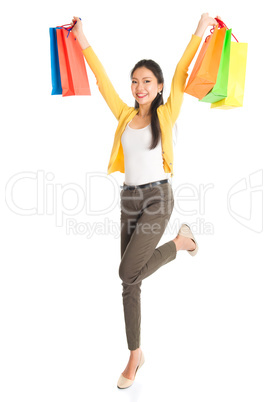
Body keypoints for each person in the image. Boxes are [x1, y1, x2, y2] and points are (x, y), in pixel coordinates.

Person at [71, 12, 218, 389]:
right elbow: (102, 82)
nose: (139, 87)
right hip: (129, 200)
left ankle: (178, 243)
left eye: (146, 81)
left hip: (157, 198)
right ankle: (135, 353)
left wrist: (199, 33)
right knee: (129, 283)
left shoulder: (167, 114)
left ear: (158, 86)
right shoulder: (124, 116)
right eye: (135, 81)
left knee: (125, 272)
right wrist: (83, 38)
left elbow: (184, 71)